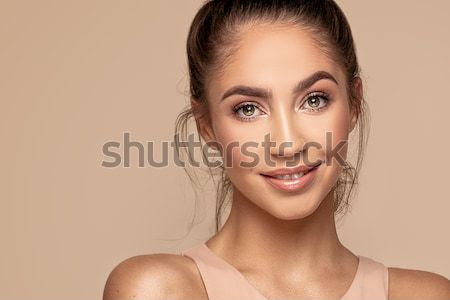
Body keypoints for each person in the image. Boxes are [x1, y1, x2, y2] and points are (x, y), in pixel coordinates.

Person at [103, 1, 450, 299]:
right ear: (205, 124)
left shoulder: (426, 294)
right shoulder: (156, 290)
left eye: (315, 100)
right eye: (248, 108)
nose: (287, 144)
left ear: (354, 102)